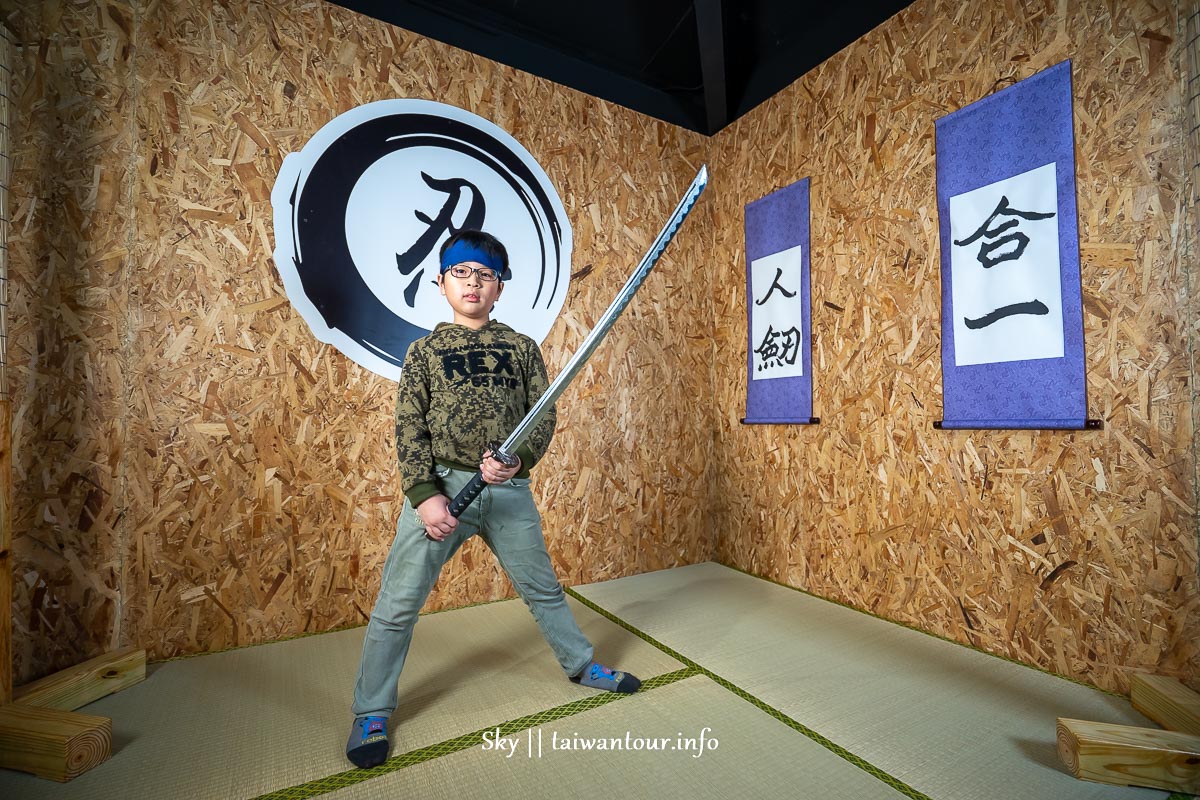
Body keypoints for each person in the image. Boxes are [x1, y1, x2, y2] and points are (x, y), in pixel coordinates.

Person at [346, 229, 641, 768]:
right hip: (444, 489)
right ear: (441, 283)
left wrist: (518, 461)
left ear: (500, 287)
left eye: (485, 275)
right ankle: (371, 711)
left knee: (543, 589)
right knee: (397, 606)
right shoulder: (425, 351)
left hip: (508, 490)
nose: (473, 283)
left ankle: (581, 666)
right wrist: (423, 496)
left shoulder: (521, 348)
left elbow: (543, 415)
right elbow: (408, 425)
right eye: (461, 273)